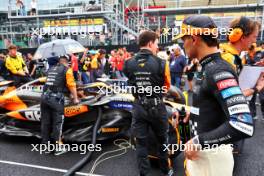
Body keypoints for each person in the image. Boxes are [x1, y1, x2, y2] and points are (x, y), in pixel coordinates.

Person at [174, 15, 255, 175]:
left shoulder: (218, 70)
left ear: (194, 38)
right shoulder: (207, 66)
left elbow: (243, 124)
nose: (183, 44)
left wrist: (198, 142)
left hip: (212, 159)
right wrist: (194, 112)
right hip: (205, 156)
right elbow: (213, 103)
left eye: (184, 39)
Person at [123, 31, 173, 176]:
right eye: (157, 43)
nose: (157, 47)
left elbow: (130, 82)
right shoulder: (162, 63)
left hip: (138, 106)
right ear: (150, 43)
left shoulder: (128, 63)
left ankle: (144, 173)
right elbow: (166, 87)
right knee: (162, 140)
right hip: (157, 106)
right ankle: (166, 170)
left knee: (141, 143)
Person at [41, 55, 79, 156]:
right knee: (58, 123)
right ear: (67, 62)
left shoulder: (51, 69)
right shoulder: (67, 70)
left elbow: (51, 82)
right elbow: (72, 85)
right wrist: (75, 98)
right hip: (55, 100)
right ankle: (58, 147)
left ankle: (46, 148)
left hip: (44, 98)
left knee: (45, 123)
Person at [220, 16, 264, 97]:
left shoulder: (228, 54)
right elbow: (230, 97)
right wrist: (257, 88)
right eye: (254, 36)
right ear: (243, 37)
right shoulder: (229, 59)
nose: (255, 41)